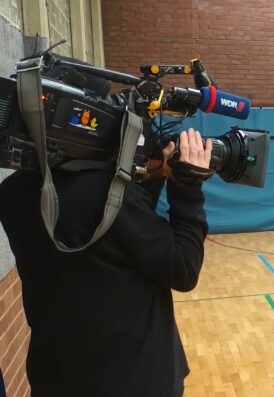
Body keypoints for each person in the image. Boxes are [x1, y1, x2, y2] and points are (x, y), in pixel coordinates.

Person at [0, 129, 213, 396]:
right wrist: (188, 187)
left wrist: (153, 178)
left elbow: (120, 239)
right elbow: (183, 269)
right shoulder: (106, 194)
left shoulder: (11, 192)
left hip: (56, 377)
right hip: (136, 381)